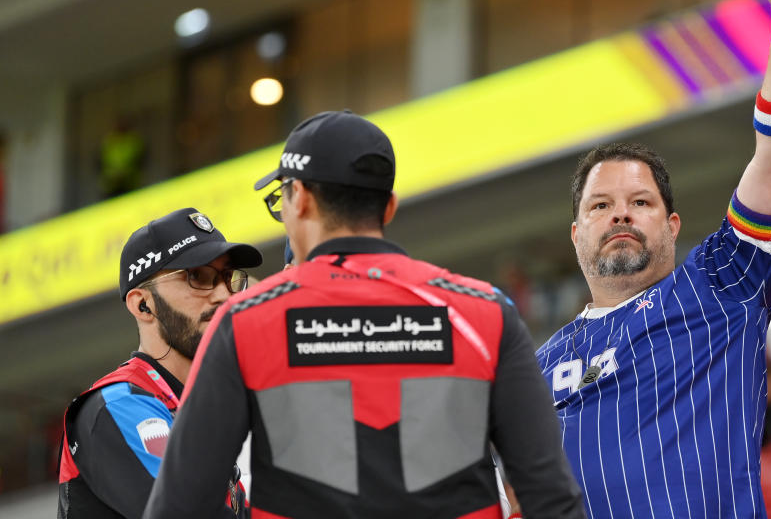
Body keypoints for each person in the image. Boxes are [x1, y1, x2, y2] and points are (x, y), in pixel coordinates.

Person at [143, 111, 585, 519]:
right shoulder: (485, 313)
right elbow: (549, 497)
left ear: (298, 200)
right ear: (388, 207)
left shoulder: (245, 322)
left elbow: (180, 507)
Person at [535, 0, 771, 518]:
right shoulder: (539, 365)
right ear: (576, 233)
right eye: (601, 205)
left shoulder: (722, 284)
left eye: (640, 202)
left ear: (671, 225)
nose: (620, 215)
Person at [57, 208, 262, 518]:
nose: (223, 295)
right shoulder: (118, 403)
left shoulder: (204, 411)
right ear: (143, 305)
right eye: (199, 276)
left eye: (227, 277)